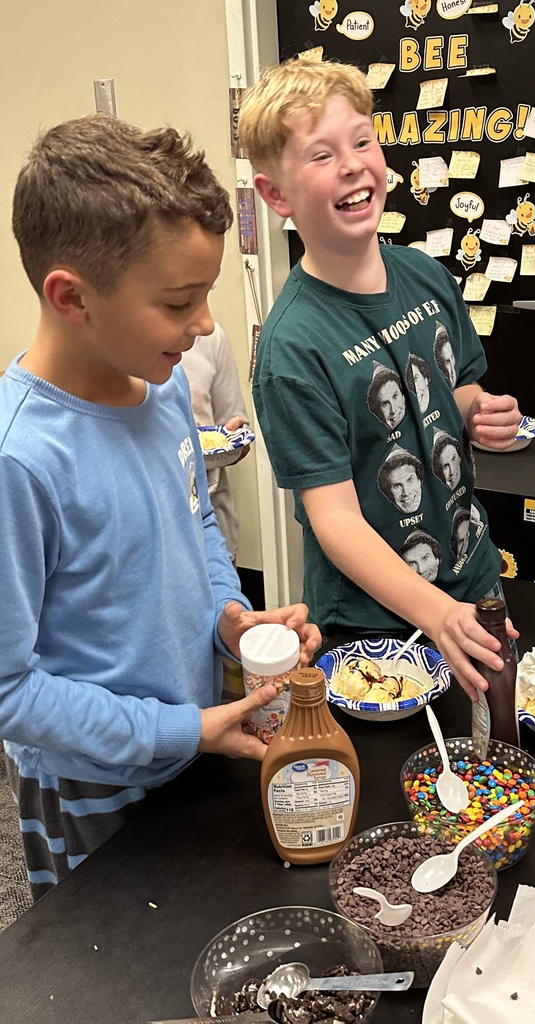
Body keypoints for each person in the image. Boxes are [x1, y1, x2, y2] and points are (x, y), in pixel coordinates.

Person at [0, 114, 321, 898]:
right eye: (181, 301)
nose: (205, 323)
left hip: (195, 736)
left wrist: (230, 618)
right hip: (95, 789)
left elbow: (196, 521)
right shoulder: (20, 460)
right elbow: (10, 691)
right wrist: (174, 730)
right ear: (71, 296)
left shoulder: (168, 384)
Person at [238, 58, 521, 699]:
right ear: (276, 195)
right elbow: (333, 518)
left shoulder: (425, 275)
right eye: (320, 154)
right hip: (374, 633)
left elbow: (456, 393)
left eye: (362, 140)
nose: (351, 164)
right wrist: (434, 614)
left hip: (472, 583)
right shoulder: (292, 348)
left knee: (488, 773)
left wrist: (480, 412)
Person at [181, 322, 251, 561]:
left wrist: (232, 443)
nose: (205, 320)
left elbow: (232, 422)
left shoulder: (210, 336)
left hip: (214, 532)